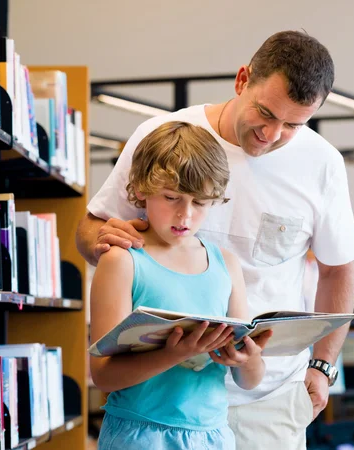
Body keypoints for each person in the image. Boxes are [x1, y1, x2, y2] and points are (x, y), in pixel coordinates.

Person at [78, 30, 354, 449]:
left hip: (266, 394)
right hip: (152, 398)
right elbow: (91, 231)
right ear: (242, 79)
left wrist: (322, 367)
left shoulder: (323, 164)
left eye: (293, 125)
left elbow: (338, 271)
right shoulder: (164, 137)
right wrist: (102, 238)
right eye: (265, 113)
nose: (273, 133)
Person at [90, 121, 272, 450]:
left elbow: (249, 381)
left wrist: (251, 358)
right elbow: (103, 375)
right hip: (140, 436)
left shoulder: (226, 265)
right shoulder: (122, 261)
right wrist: (175, 354)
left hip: (213, 436)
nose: (185, 215)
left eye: (200, 202)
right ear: (141, 188)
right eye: (171, 197)